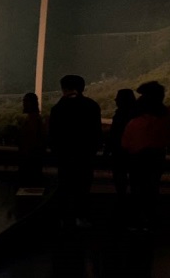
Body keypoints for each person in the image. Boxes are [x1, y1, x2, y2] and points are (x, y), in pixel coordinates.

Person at [47, 74, 103, 225]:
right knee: (83, 187)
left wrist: (56, 151)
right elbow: (96, 132)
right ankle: (81, 216)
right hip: (85, 155)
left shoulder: (58, 108)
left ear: (64, 88)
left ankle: (64, 217)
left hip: (65, 156)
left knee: (65, 186)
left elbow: (53, 134)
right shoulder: (91, 106)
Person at [121, 80, 170, 230]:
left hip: (138, 157)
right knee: (152, 188)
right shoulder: (167, 116)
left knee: (137, 188)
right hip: (157, 155)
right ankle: (150, 219)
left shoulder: (136, 121)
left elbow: (126, 142)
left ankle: (136, 220)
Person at [105, 88, 138, 199]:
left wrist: (107, 150)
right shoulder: (137, 114)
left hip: (119, 150)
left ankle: (121, 197)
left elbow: (114, 134)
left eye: (118, 98)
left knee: (119, 175)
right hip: (135, 151)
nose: (115, 100)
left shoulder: (120, 115)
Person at [17, 92, 46, 188]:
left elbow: (30, 139)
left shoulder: (32, 120)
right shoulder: (37, 119)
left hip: (30, 158)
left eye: (25, 101)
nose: (23, 104)